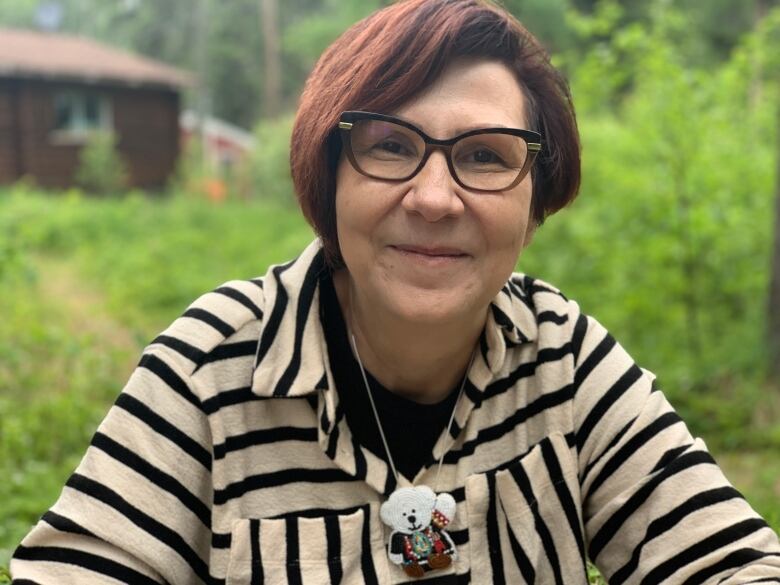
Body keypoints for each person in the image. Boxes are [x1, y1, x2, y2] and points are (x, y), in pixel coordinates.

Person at [11, 0, 780, 583]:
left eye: (484, 155)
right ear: (329, 175)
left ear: (535, 203)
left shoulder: (561, 358)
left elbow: (732, 561)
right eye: (391, 145)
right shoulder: (213, 365)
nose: (435, 197)